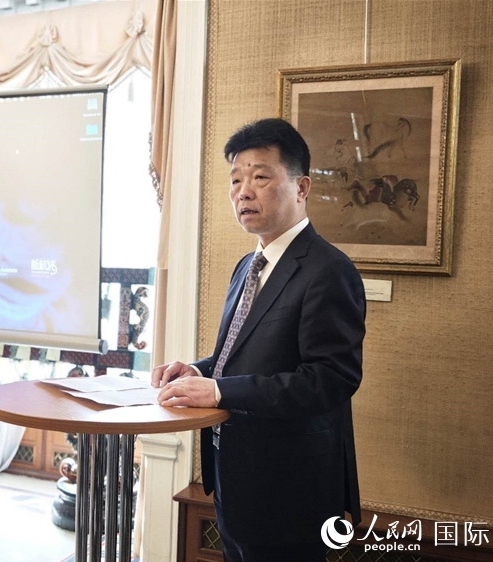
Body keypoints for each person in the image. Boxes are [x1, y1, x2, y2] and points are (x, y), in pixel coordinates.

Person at [151, 118, 366, 562]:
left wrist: (217, 390)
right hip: (235, 479)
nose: (243, 192)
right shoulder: (247, 266)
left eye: (260, 177)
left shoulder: (328, 270)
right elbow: (243, 354)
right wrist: (199, 371)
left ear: (301, 187)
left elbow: (329, 380)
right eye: (236, 180)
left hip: (290, 490)